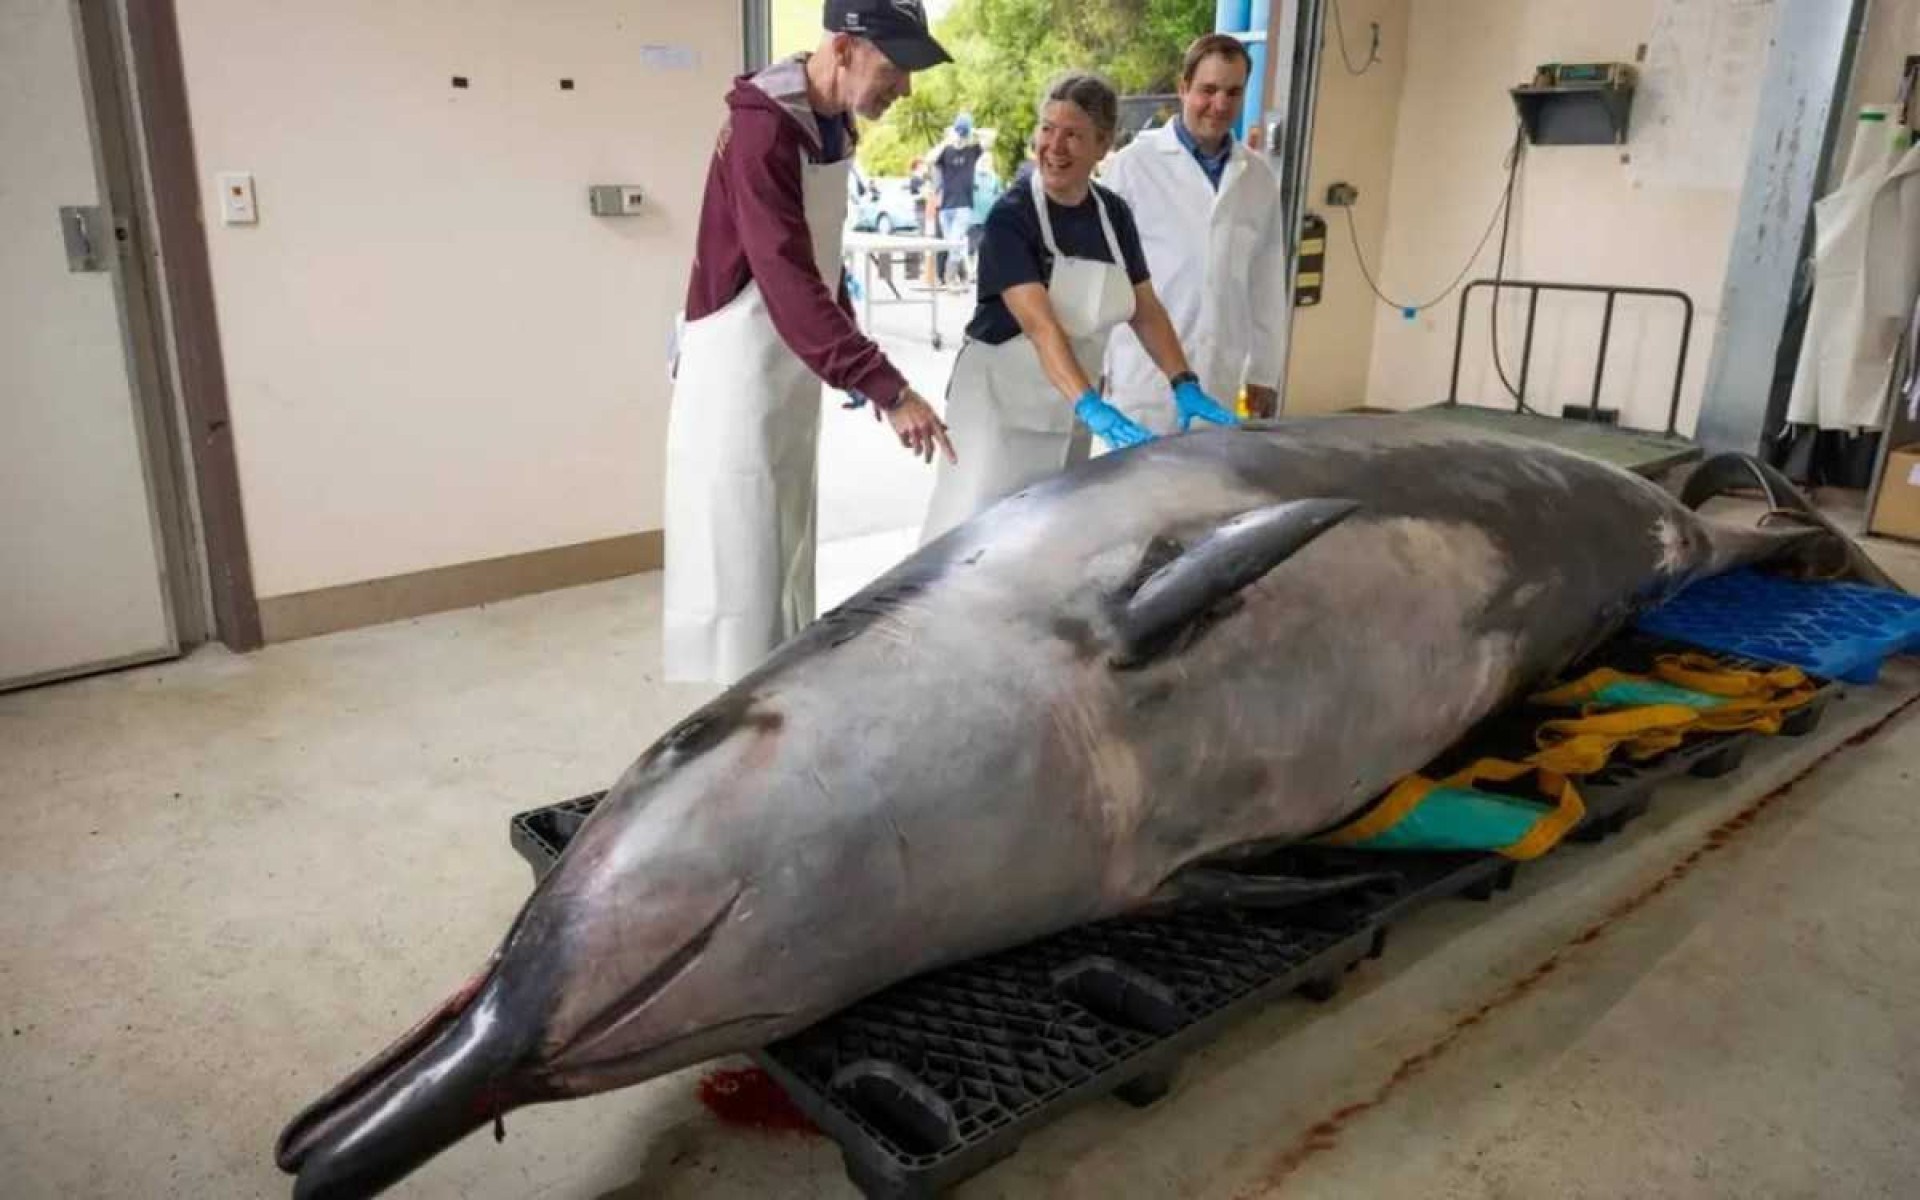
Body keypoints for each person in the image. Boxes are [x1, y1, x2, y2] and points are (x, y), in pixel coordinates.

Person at [664, 0, 957, 686]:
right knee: (741, 571)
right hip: (737, 374)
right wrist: (885, 385)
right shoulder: (763, 131)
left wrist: (850, 346)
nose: (905, 87)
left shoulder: (831, 124)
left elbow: (819, 260)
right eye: (896, 66)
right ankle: (736, 740)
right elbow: (786, 279)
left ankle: (774, 713)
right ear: (844, 48)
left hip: (784, 368)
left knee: (785, 551)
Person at [919, 71, 1236, 544]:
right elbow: (1041, 326)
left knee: (1047, 540)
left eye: (1073, 134)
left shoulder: (1113, 215)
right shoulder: (1013, 216)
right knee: (974, 536)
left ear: (1102, 145)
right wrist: (1094, 407)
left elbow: (1145, 309)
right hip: (1002, 408)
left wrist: (1183, 383)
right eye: (1048, 129)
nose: (1055, 145)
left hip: (1068, 409)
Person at [1102, 34, 1289, 427]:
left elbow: (1266, 282)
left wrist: (1264, 374)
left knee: (1210, 486)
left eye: (1233, 92)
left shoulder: (1257, 178)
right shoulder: (1133, 167)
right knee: (1136, 486)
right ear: (1183, 87)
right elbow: (1103, 274)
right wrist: (1095, 367)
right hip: (1143, 380)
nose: (1220, 105)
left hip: (1218, 377)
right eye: (1208, 90)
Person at [932, 113, 985, 289]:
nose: (961, 135)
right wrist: (947, 140)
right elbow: (930, 159)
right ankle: (965, 279)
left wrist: (973, 132)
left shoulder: (972, 151)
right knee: (953, 245)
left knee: (954, 242)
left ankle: (949, 279)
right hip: (946, 206)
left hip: (963, 205)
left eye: (963, 132)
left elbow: (990, 138)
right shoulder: (946, 151)